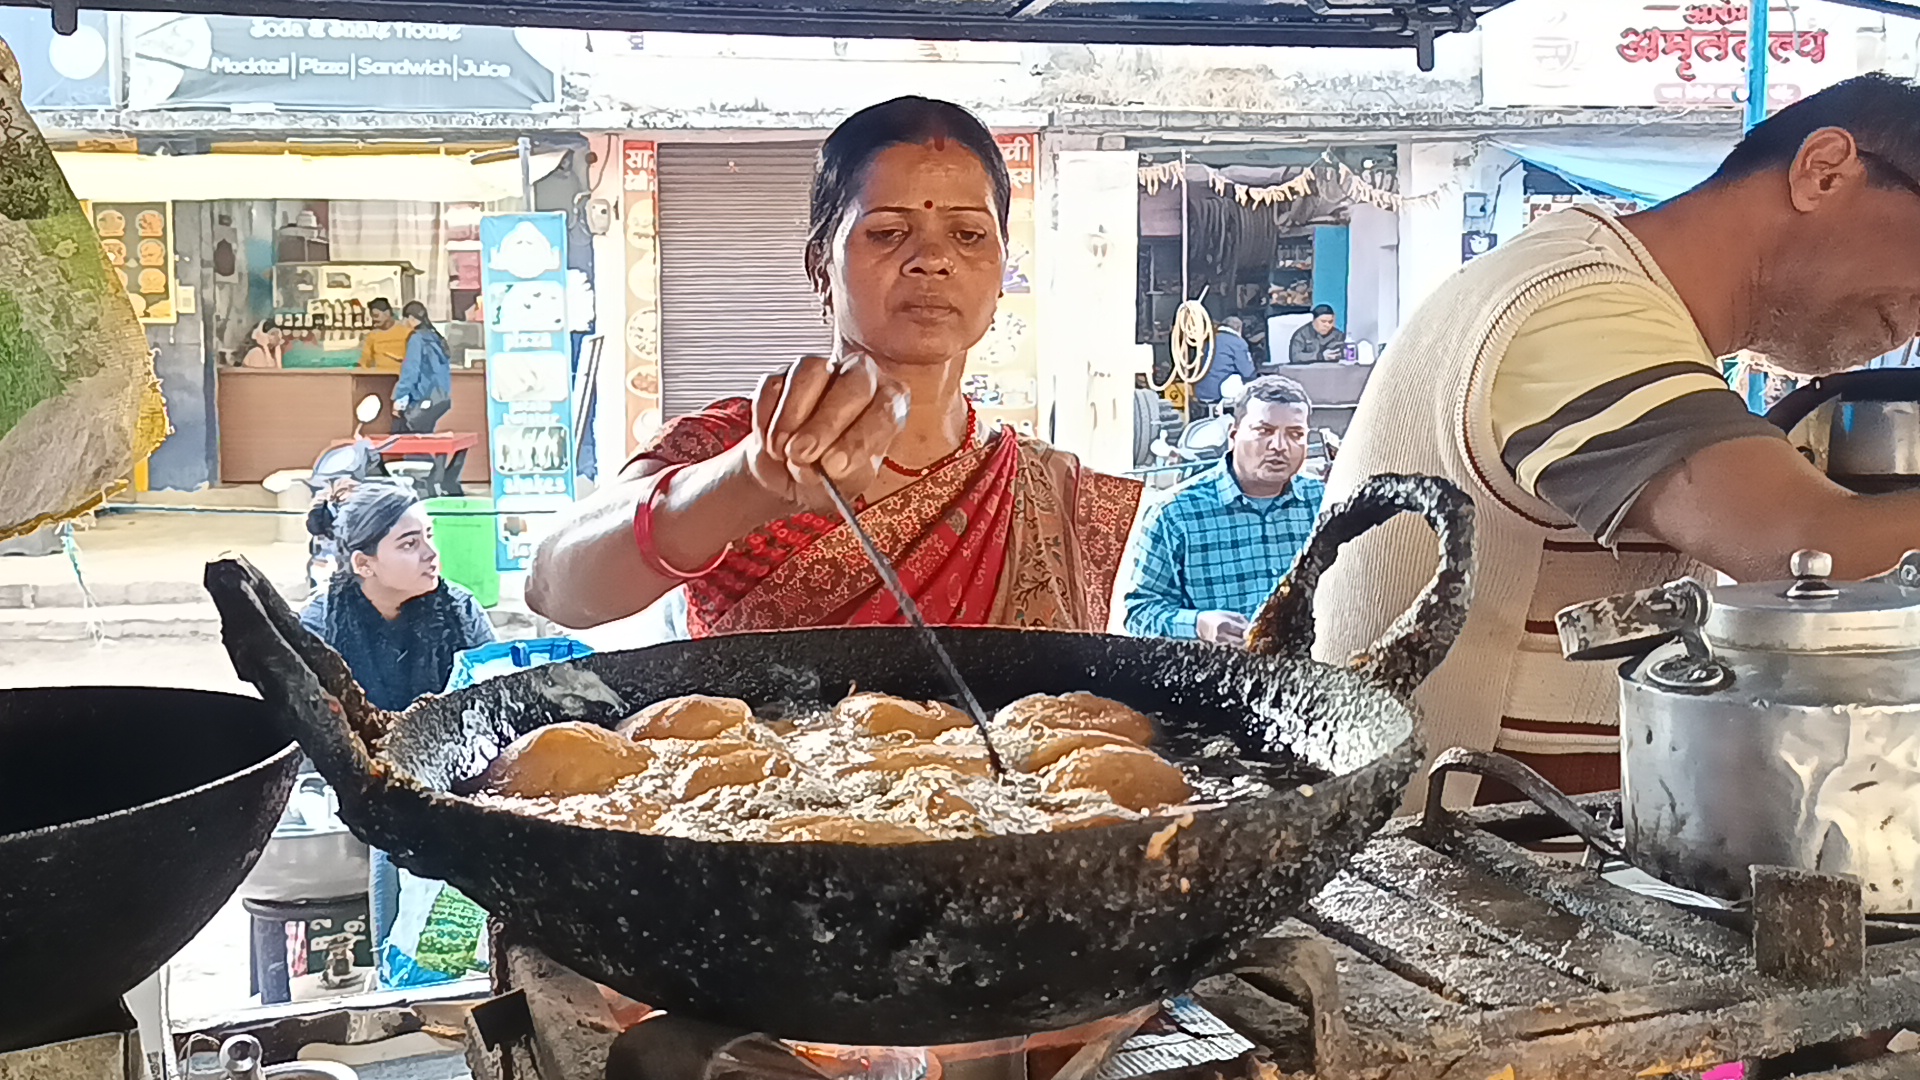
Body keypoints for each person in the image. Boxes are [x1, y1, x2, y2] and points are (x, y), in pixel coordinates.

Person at [1317, 73, 1920, 806]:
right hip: (1434, 876)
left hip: (1507, 869)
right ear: (1824, 171)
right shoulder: (1574, 306)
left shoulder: (1614, 297)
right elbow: (1816, 552)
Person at [526, 95, 1143, 635]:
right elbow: (554, 586)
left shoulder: (1046, 490)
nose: (931, 259)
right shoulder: (737, 444)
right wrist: (751, 482)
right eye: (887, 232)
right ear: (820, 265)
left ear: (1003, 269)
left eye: (968, 235)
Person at [301, 480, 494, 957]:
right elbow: (304, 735)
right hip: (354, 794)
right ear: (363, 564)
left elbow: (491, 705)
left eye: (429, 535)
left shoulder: (460, 611)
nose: (431, 553)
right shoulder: (320, 626)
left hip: (449, 785)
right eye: (409, 544)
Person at [1121, 376, 1325, 645]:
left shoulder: (1324, 505)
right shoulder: (1175, 514)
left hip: (1312, 676)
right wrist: (1198, 624)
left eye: (1295, 434)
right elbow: (1138, 614)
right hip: (1219, 677)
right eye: (1264, 431)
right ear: (1233, 435)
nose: (1279, 446)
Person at [1189, 315, 1257, 422]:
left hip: (1201, 392)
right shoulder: (1238, 343)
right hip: (1219, 394)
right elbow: (1248, 372)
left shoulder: (1208, 340)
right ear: (1239, 329)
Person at [360, 297, 411, 373]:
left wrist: (404, 360)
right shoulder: (373, 336)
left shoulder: (406, 331)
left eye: (376, 315)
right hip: (381, 378)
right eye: (372, 317)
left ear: (387, 313)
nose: (374, 319)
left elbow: (415, 358)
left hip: (403, 378)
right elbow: (365, 362)